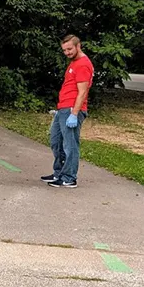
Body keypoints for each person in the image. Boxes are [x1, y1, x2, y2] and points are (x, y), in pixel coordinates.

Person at [42, 35, 93, 188]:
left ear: (79, 46)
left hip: (72, 109)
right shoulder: (74, 63)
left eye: (70, 49)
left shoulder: (83, 64)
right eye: (64, 50)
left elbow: (82, 91)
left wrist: (74, 113)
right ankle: (59, 172)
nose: (67, 52)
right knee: (55, 141)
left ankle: (69, 177)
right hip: (63, 108)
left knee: (70, 145)